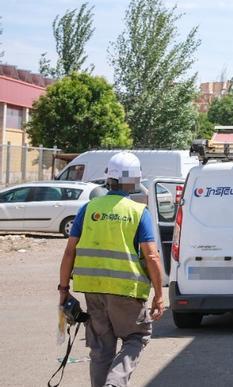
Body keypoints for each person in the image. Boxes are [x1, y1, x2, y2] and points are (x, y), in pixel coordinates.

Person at [58, 152, 164, 387]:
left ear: (109, 179)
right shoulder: (137, 212)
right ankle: (115, 383)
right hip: (127, 290)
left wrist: (63, 289)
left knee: (101, 348)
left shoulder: (88, 209)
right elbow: (152, 256)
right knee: (137, 336)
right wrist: (158, 294)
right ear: (135, 181)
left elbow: (69, 252)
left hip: (92, 290)